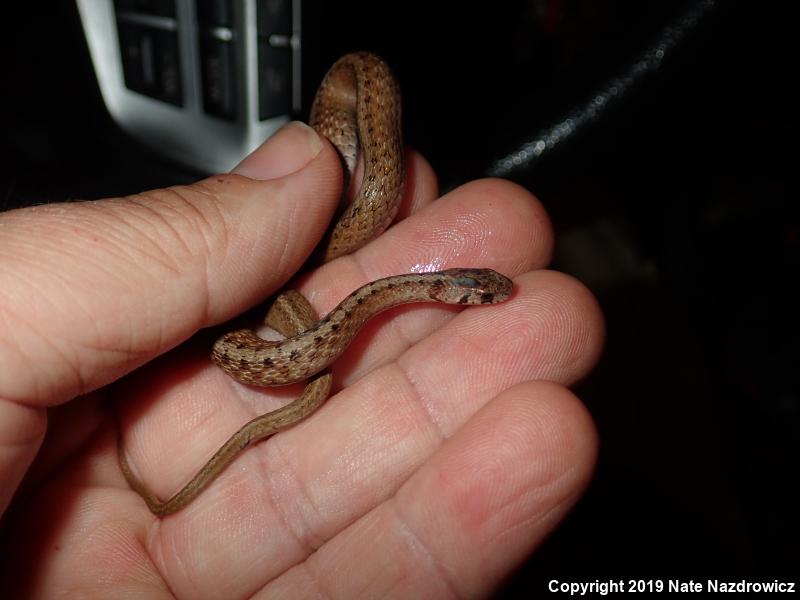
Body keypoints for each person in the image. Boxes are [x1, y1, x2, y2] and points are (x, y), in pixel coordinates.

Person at [0, 122, 603, 596]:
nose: (488, 297)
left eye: (485, 293)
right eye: (481, 292)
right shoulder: (363, 306)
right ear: (446, 289)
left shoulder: (376, 302)